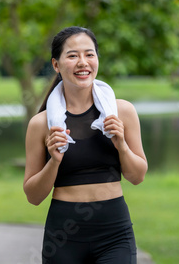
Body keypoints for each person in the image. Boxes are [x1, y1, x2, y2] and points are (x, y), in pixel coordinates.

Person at [23, 26, 148, 264]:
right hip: (63, 237)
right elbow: (33, 196)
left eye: (89, 54)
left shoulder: (122, 112)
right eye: (72, 55)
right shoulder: (41, 124)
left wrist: (121, 145)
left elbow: (137, 176)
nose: (83, 62)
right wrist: (54, 161)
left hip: (114, 232)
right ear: (56, 65)